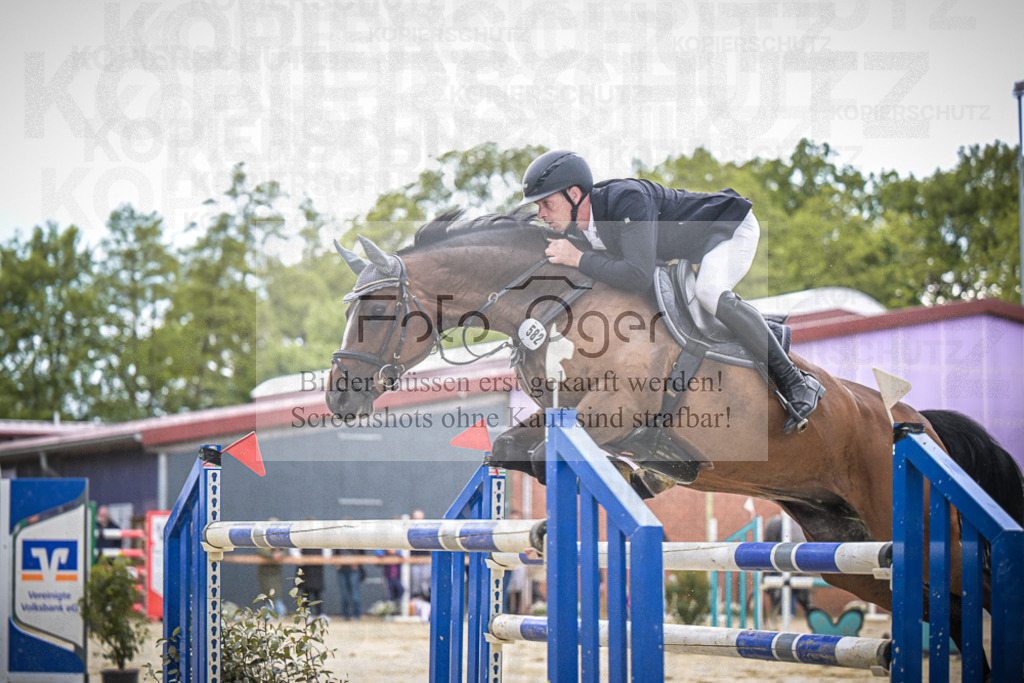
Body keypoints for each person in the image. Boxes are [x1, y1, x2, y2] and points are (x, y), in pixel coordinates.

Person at [521, 149, 825, 433]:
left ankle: (797, 383)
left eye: (547, 203)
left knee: (709, 292)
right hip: (693, 251)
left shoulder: (626, 200)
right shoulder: (577, 228)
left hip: (729, 228)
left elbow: (637, 274)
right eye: (538, 206)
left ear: (574, 194)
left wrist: (580, 258)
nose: (542, 213)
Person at [256, 517, 287, 617]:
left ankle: (280, 614)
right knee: (266, 594)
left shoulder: (281, 538)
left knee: (277, 594)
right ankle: (268, 615)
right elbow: (259, 549)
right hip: (265, 570)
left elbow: (285, 550)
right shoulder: (262, 537)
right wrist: (271, 555)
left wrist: (280, 554)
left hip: (276, 570)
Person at [335, 546, 365, 621]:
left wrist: (358, 563)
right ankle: (345, 615)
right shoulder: (338, 539)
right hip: (342, 569)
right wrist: (336, 563)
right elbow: (335, 552)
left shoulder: (356, 539)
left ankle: (356, 615)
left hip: (353, 569)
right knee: (344, 594)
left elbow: (362, 553)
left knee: (355, 594)